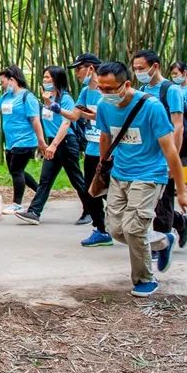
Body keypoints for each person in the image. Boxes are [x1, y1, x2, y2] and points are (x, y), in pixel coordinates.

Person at [94, 61, 187, 297]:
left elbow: (170, 150)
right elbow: (105, 136)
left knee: (133, 228)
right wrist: (103, 165)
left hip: (150, 174)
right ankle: (163, 240)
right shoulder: (103, 105)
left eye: (110, 88)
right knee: (116, 229)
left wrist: (181, 192)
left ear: (126, 84)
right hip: (120, 173)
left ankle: (144, 279)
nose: (105, 94)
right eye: (101, 88)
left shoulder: (151, 107)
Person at [14, 66, 95, 226]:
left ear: (57, 79)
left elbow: (66, 123)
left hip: (65, 142)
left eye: (48, 78)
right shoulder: (47, 98)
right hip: (53, 142)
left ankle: (90, 211)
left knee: (76, 179)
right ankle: (34, 212)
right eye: (44, 78)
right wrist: (45, 142)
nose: (45, 81)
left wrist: (54, 145)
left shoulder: (66, 99)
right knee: (45, 179)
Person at [132, 50, 187, 249]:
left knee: (164, 199)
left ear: (155, 66)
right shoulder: (141, 89)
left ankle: (161, 243)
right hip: (146, 152)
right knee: (147, 199)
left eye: (141, 68)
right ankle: (181, 222)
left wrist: (173, 157)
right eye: (135, 69)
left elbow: (178, 125)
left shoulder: (171, 90)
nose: (137, 72)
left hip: (165, 152)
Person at [61, 52, 112, 246]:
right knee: (91, 191)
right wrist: (56, 108)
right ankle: (101, 230)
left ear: (90, 68)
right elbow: (75, 116)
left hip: (110, 149)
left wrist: (92, 115)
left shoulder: (107, 89)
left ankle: (168, 221)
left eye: (79, 69)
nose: (77, 74)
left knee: (117, 193)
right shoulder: (84, 93)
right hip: (92, 149)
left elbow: (112, 116)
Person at [0, 65, 45, 215]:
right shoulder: (6, 96)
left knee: (16, 170)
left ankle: (17, 204)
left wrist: (41, 141)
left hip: (25, 141)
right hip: (10, 142)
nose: (2, 85)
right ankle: (41, 193)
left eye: (3, 82)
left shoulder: (27, 96)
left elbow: (35, 120)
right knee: (16, 171)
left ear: (12, 79)